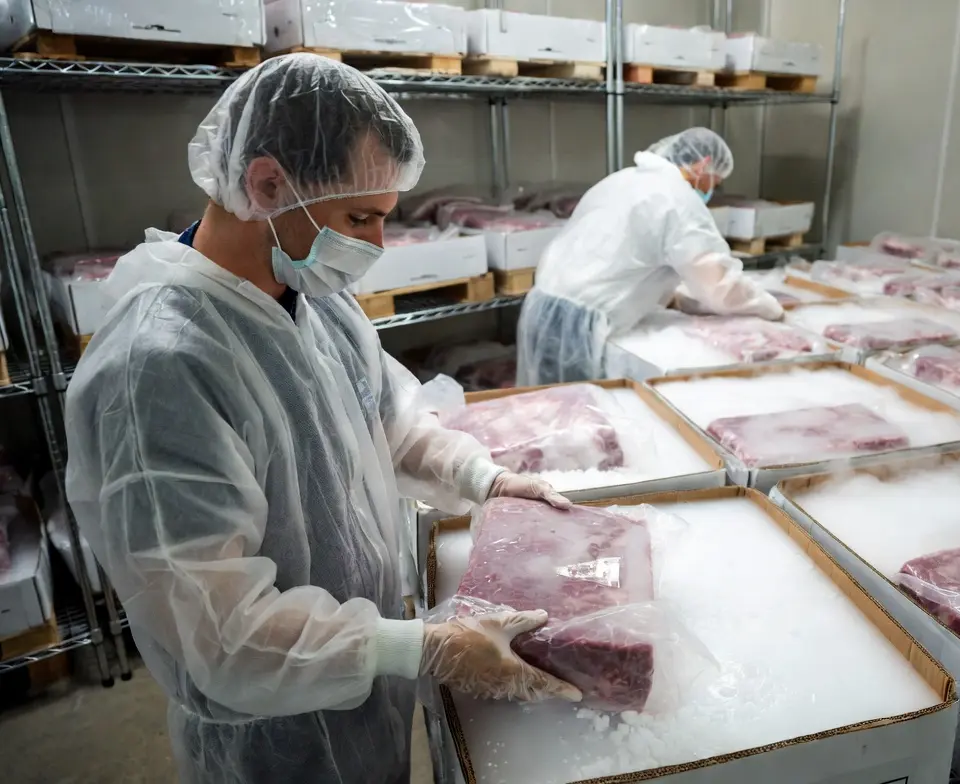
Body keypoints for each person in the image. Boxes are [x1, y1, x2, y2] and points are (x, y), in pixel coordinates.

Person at [64, 53, 581, 784]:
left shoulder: (312, 298)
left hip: (359, 680)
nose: (373, 245)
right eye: (359, 217)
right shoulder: (159, 365)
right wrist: (420, 649)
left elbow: (391, 421)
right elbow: (218, 633)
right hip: (272, 737)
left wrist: (482, 479)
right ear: (268, 184)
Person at [516, 127, 785, 385]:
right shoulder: (678, 199)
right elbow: (719, 285)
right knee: (581, 419)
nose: (713, 189)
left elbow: (624, 257)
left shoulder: (624, 179)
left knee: (550, 412)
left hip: (542, 307)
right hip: (579, 328)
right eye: (716, 181)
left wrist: (672, 296)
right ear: (703, 165)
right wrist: (766, 306)